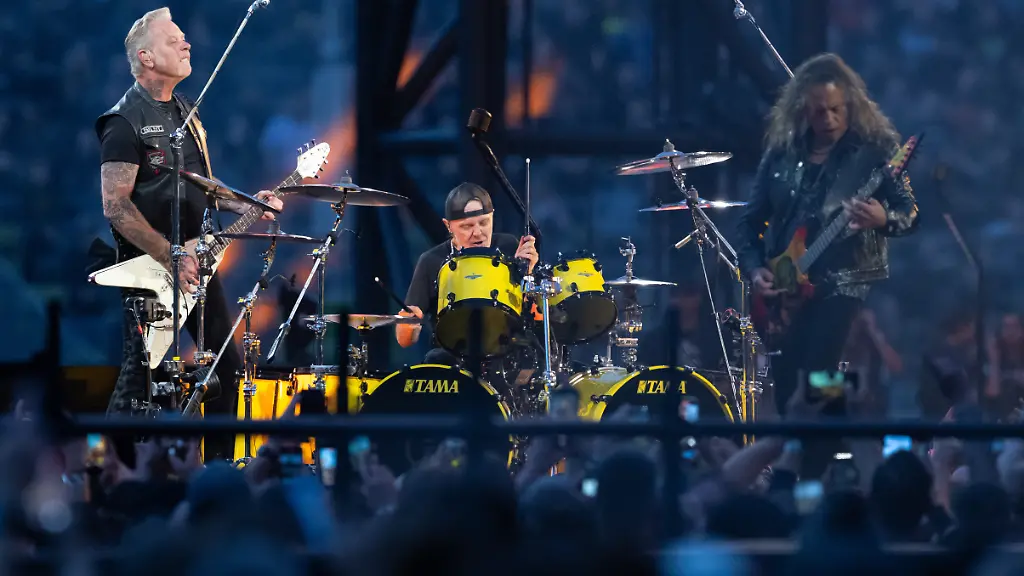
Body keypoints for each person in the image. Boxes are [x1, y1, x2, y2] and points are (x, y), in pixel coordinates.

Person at [96, 8, 283, 461]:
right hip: (150, 268)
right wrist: (169, 254)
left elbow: (202, 185)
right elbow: (115, 206)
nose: (187, 44)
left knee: (226, 368)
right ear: (146, 57)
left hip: (195, 264)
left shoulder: (186, 112)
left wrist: (244, 203)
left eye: (184, 37)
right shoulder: (123, 122)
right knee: (142, 377)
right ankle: (109, 474)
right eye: (173, 39)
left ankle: (216, 472)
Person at [736, 52, 919, 417]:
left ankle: (826, 442)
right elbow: (749, 223)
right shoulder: (781, 154)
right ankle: (805, 442)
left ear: (850, 104)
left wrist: (883, 218)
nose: (829, 119)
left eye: (836, 109)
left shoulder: (874, 152)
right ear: (802, 109)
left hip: (843, 281)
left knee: (820, 372)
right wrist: (755, 271)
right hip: (786, 284)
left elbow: (911, 214)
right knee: (788, 381)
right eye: (819, 111)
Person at [395, 182, 538, 363]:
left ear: (492, 217)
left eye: (484, 222)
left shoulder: (508, 247)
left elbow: (533, 317)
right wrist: (409, 324)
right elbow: (403, 340)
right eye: (467, 226)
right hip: (452, 358)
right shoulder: (431, 260)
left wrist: (527, 273)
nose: (477, 233)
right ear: (448, 226)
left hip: (503, 353)